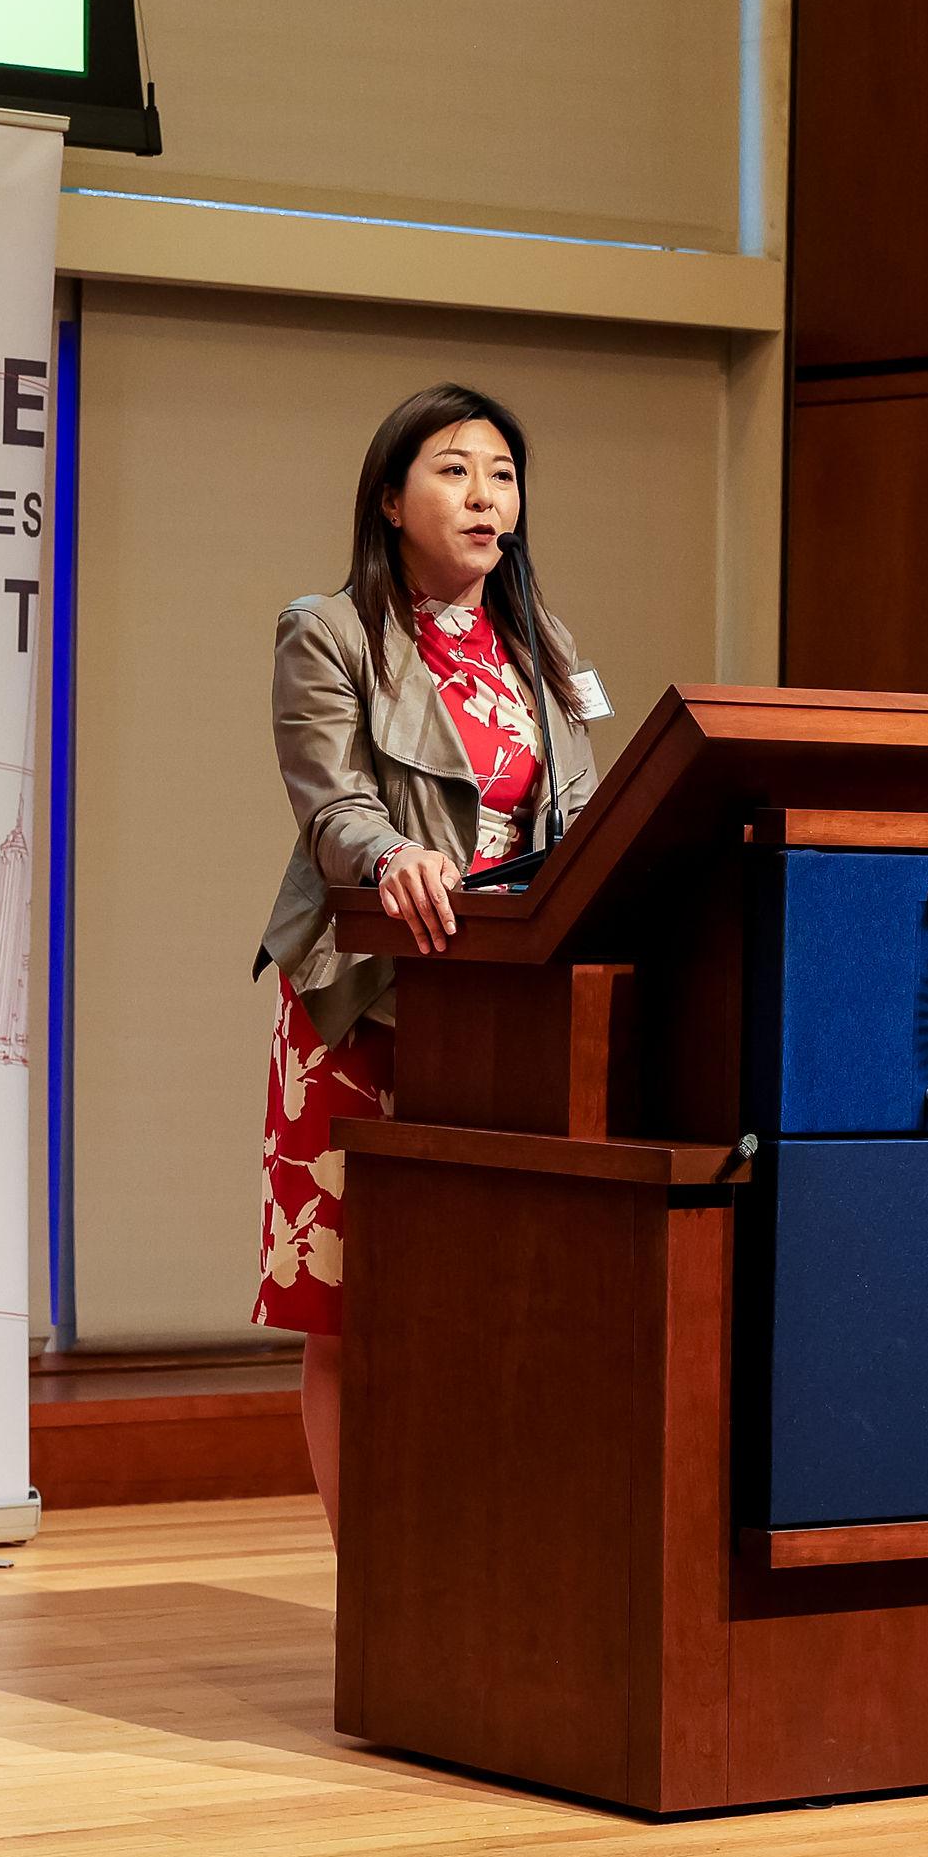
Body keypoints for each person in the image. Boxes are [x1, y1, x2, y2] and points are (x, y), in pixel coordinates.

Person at [252, 382, 604, 1537]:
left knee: (484, 1301)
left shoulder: (539, 648)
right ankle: (372, 1589)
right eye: (454, 471)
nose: (485, 496)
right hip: (367, 999)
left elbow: (583, 816)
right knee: (351, 1310)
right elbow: (333, 804)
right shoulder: (330, 630)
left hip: (502, 1009)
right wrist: (393, 853)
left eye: (502, 474)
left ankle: (461, 1577)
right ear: (392, 500)